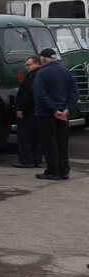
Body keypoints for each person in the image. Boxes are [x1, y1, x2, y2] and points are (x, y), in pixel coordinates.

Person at [31, 47, 77, 180]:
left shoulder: (41, 73)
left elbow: (40, 94)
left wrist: (53, 110)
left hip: (46, 113)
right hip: (64, 114)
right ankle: (64, 171)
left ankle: (52, 171)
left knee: (49, 142)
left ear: (42, 59)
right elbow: (74, 91)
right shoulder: (66, 72)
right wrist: (67, 109)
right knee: (62, 143)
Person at [13, 55, 44, 169]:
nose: (26, 67)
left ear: (37, 63)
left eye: (28, 65)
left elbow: (27, 94)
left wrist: (21, 108)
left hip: (28, 112)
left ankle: (26, 161)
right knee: (37, 137)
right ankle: (37, 160)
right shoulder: (41, 75)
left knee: (26, 137)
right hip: (38, 111)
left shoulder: (32, 76)